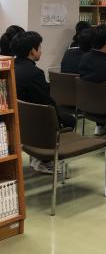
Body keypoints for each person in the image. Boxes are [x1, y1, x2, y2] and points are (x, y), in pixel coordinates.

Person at [12, 31, 76, 173]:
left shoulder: (12, 67)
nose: (41, 50)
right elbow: (46, 103)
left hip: (18, 119)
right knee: (69, 120)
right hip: (32, 123)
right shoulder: (34, 73)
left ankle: (37, 157)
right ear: (32, 51)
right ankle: (44, 160)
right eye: (39, 47)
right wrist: (59, 119)